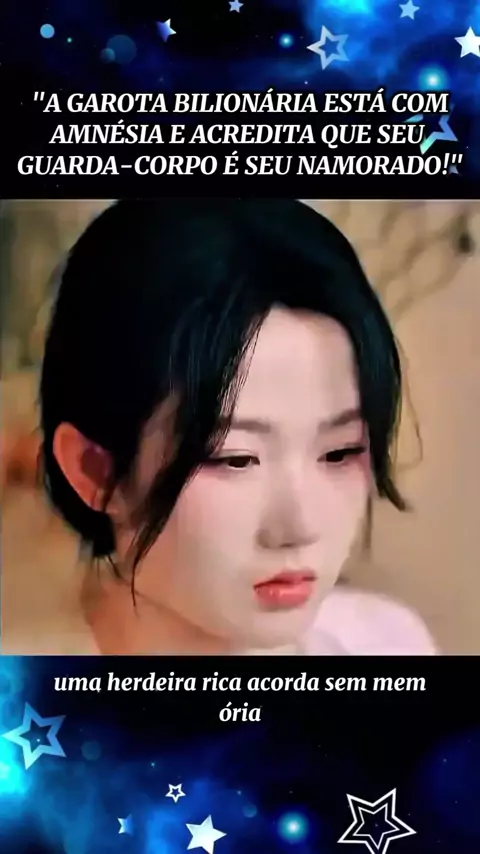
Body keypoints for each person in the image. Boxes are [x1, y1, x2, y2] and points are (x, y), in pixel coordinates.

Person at [20, 198, 435, 656]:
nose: (299, 527)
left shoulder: (386, 642)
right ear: (96, 471)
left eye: (339, 452)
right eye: (236, 459)